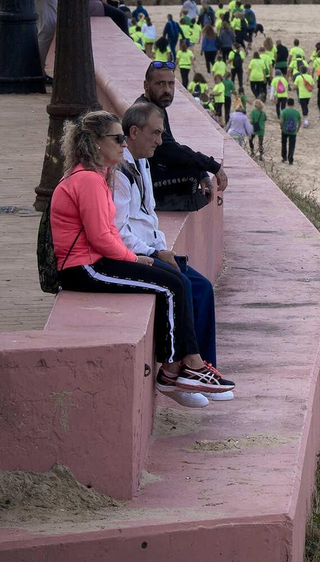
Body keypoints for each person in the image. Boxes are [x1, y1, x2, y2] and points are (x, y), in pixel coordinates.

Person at [49, 110, 236, 404]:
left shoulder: (98, 176)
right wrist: (135, 259)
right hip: (84, 267)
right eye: (117, 138)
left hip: (96, 260)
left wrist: (138, 258)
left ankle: (177, 370)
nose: (124, 144)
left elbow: (107, 232)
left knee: (174, 279)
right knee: (170, 286)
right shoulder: (87, 180)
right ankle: (184, 367)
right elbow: (102, 237)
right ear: (97, 143)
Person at [111, 102, 226, 408]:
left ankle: (195, 372)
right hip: (137, 253)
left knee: (201, 288)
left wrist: (163, 246)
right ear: (134, 132)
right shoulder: (119, 171)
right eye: (156, 133)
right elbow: (118, 229)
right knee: (183, 286)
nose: (160, 141)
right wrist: (154, 252)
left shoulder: (143, 162)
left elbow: (149, 216)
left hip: (154, 247)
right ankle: (175, 370)